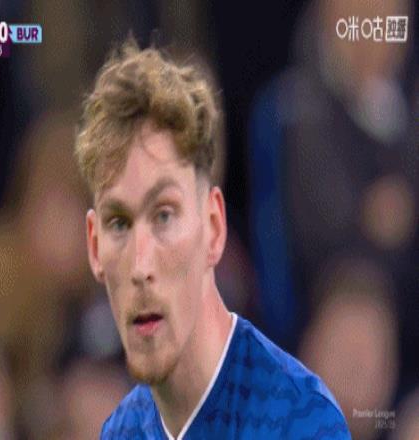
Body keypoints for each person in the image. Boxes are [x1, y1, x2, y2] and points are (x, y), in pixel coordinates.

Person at [74, 39, 350, 439]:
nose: (140, 266)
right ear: (95, 247)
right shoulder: (119, 432)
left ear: (214, 227)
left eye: (164, 215)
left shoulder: (299, 420)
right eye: (118, 223)